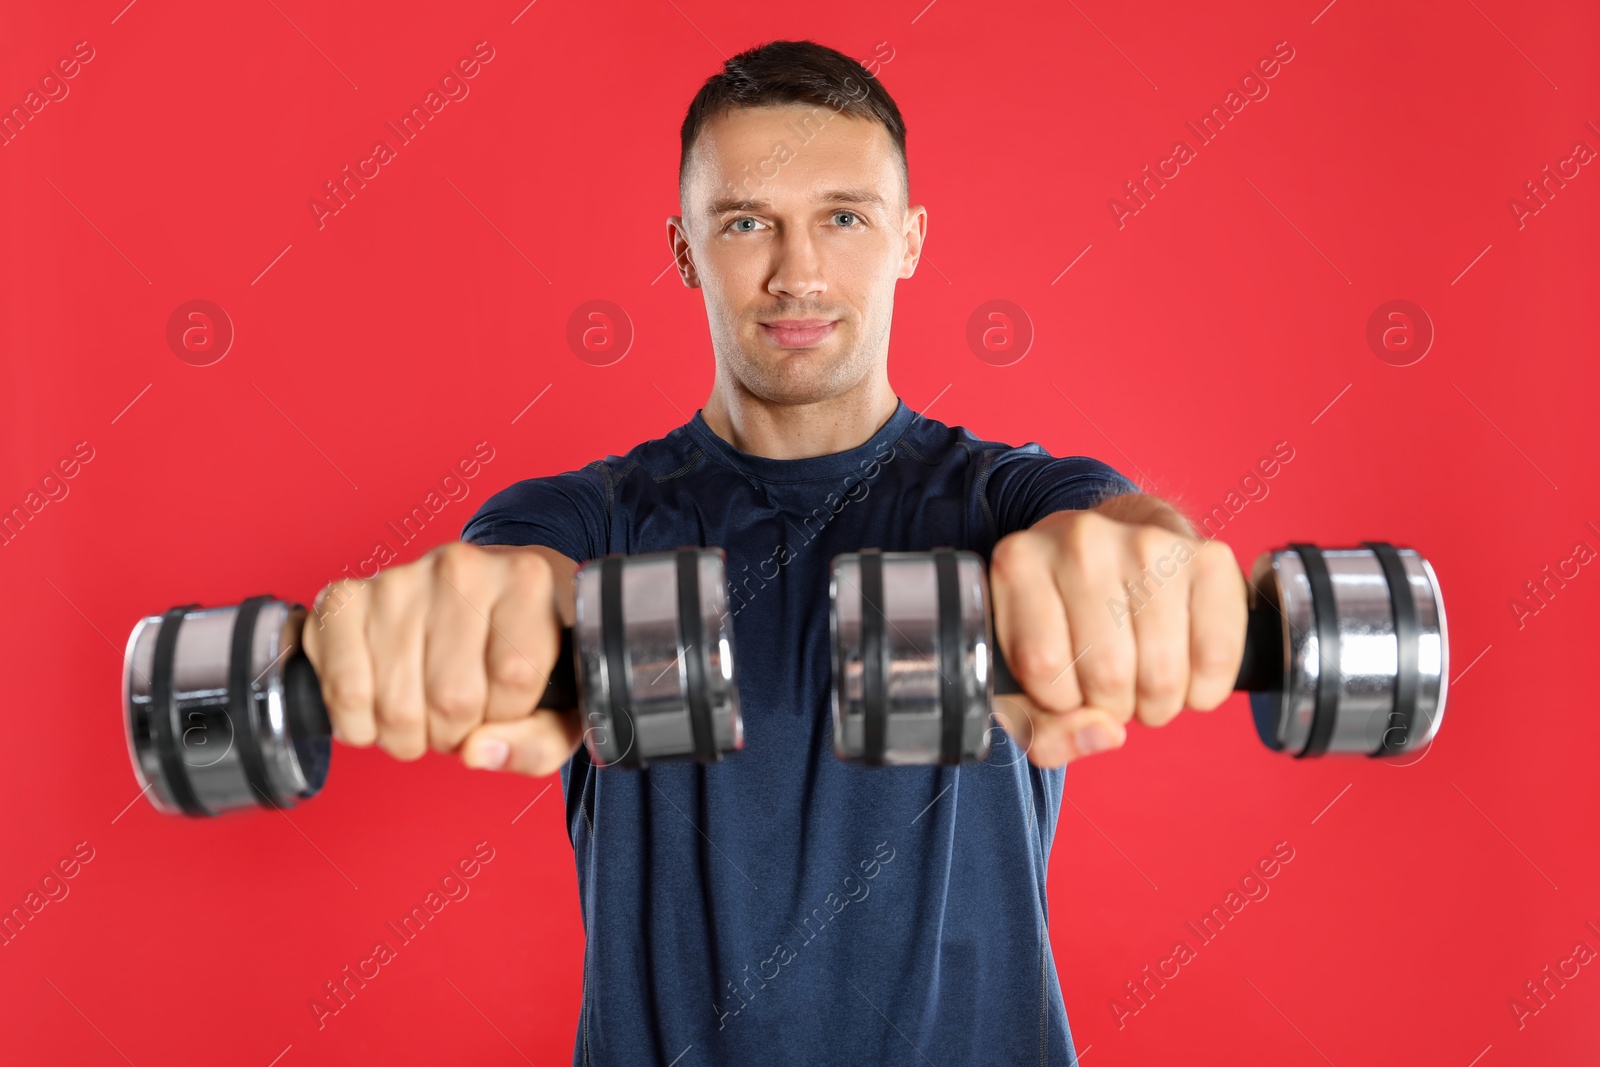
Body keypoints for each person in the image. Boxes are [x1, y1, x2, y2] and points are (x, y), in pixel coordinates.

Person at [302, 38, 1247, 1066]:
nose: (798, 272)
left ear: (909, 240)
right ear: (682, 249)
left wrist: (1142, 565)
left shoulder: (1001, 500)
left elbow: (1117, 529)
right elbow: (517, 579)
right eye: (747, 222)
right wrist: (472, 612)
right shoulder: (595, 517)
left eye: (843, 218)